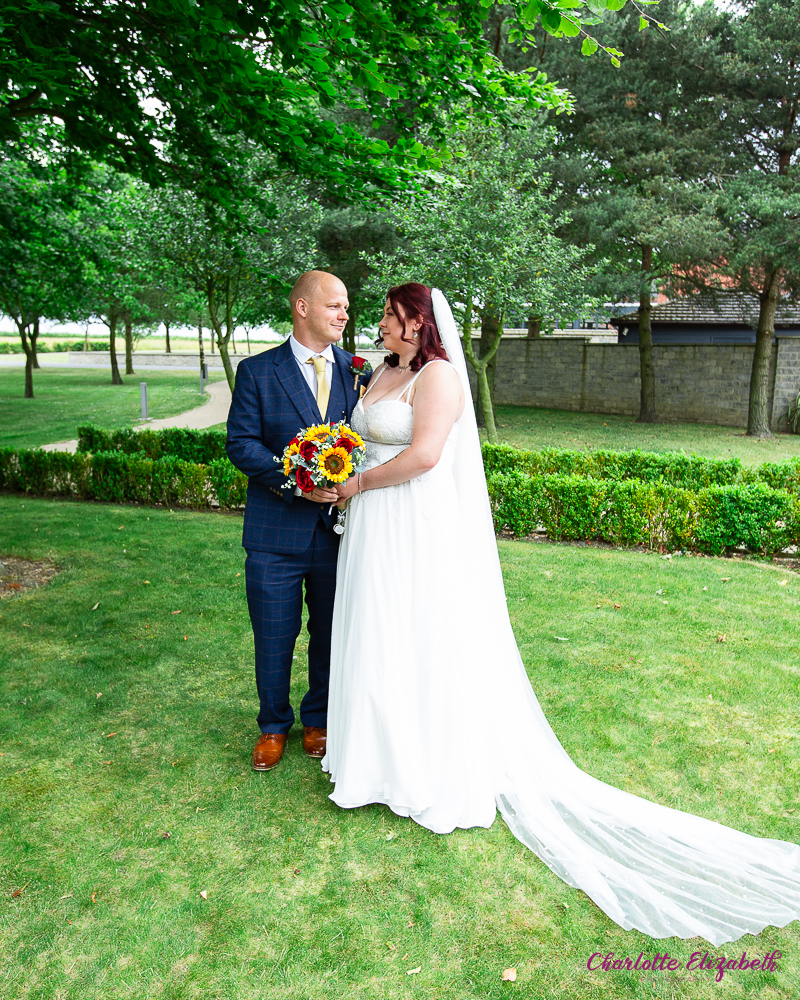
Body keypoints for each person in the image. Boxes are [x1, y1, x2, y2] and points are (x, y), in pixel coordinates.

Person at [321, 281, 800, 945]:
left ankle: (420, 766)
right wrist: (334, 462)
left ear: (415, 321)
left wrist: (359, 482)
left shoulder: (438, 377)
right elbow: (360, 434)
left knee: (415, 638)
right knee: (378, 636)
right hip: (374, 524)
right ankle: (373, 757)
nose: (378, 322)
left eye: (388, 314)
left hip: (410, 524)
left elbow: (427, 456)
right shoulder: (385, 370)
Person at [226, 270, 368, 772]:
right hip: (273, 533)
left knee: (331, 631)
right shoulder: (258, 372)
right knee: (274, 633)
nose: (344, 315)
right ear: (303, 308)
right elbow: (241, 444)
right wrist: (295, 482)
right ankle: (271, 726)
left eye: (346, 306)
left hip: (340, 534)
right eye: (334, 305)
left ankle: (319, 719)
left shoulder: (360, 371)